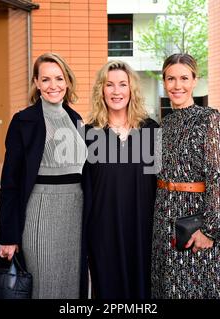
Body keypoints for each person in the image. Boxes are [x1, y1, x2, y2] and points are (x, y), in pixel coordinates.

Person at [0, 52, 87, 299]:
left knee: (72, 287)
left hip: (76, 215)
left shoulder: (76, 119)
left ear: (67, 81)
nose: (53, 85)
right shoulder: (23, 120)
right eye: (45, 79)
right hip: (41, 212)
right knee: (43, 286)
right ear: (36, 83)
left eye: (59, 78)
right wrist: (8, 235)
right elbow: (10, 184)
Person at [151, 53, 220, 299]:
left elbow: (217, 178)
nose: (177, 86)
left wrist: (211, 230)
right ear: (164, 81)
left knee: (194, 289)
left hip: (194, 220)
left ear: (195, 80)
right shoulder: (163, 125)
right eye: (171, 79)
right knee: (166, 287)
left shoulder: (209, 119)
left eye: (184, 78)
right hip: (163, 217)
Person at [81, 60, 159, 299]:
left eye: (122, 84)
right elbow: (82, 189)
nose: (116, 91)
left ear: (131, 89)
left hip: (142, 228)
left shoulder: (151, 130)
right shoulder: (88, 134)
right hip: (103, 231)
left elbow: (162, 183)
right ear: (101, 91)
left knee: (142, 290)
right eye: (110, 85)